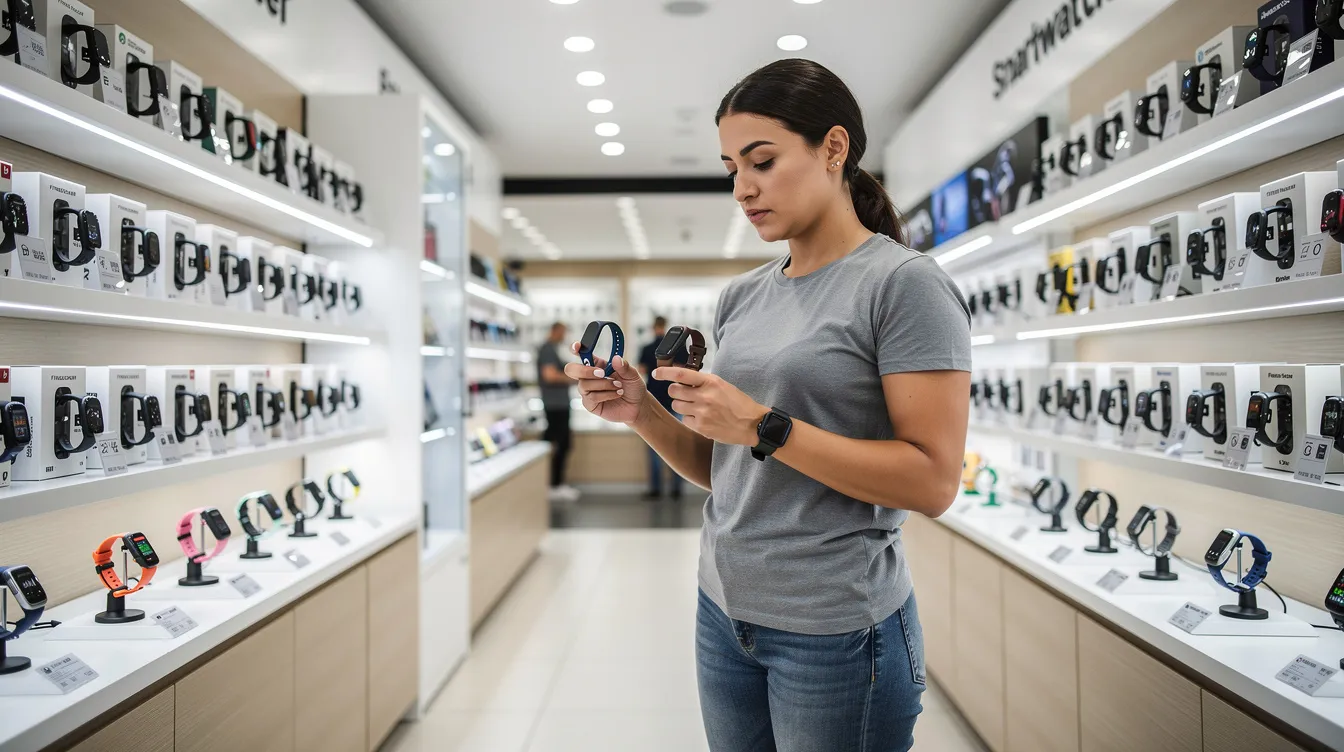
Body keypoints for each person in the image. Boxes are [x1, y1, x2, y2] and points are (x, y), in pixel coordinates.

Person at [565, 58, 971, 751]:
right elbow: (733, 470)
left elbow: (932, 483)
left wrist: (764, 425)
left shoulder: (904, 286)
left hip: (837, 630)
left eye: (761, 161)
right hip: (723, 610)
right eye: (731, 168)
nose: (742, 188)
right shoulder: (743, 297)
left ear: (833, 149)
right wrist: (642, 411)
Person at [637, 316, 685, 500]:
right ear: (665, 327)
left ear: (653, 327)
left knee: (654, 447)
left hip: (654, 400)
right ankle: (676, 489)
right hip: (674, 398)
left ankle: (656, 489)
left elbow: (641, 369)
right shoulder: (678, 348)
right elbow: (683, 370)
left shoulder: (648, 348)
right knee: (678, 445)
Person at [536, 322, 578, 502]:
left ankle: (555, 483)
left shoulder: (552, 349)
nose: (564, 336)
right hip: (555, 406)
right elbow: (550, 375)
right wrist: (572, 378)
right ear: (554, 331)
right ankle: (554, 485)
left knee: (562, 444)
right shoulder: (547, 350)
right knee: (561, 444)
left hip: (558, 404)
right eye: (562, 332)